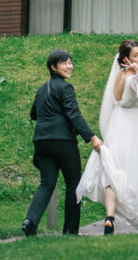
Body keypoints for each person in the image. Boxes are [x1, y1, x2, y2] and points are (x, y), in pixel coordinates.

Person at [76, 39, 138, 234]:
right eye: (136, 55)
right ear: (126, 60)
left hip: (117, 126)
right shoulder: (133, 79)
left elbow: (111, 106)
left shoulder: (118, 77)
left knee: (112, 171)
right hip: (134, 127)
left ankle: (110, 218)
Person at [22, 48, 103, 237]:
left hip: (41, 141)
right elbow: (73, 113)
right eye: (64, 63)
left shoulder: (42, 89)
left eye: (70, 62)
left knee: (47, 184)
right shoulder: (66, 88)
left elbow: (34, 114)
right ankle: (70, 231)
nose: (69, 66)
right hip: (63, 142)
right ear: (53, 67)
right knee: (74, 183)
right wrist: (92, 136)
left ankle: (30, 222)